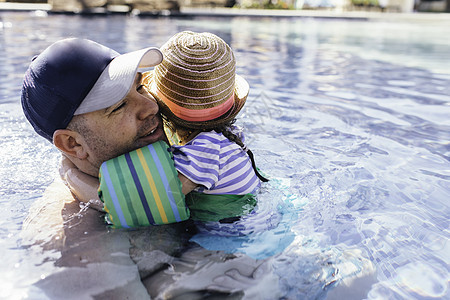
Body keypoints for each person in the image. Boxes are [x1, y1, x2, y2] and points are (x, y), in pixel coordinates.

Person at [20, 37, 279, 298]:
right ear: (73, 143)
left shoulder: (186, 150)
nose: (152, 106)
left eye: (141, 88)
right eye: (119, 106)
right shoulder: (78, 245)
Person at [145, 31, 269, 197]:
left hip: (228, 223)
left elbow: (155, 197)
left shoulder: (204, 151)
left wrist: (96, 182)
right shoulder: (227, 137)